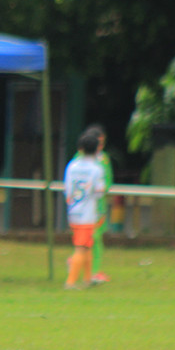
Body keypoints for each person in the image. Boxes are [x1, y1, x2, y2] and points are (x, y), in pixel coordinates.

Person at [64, 130, 107, 290]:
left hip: (73, 211)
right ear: (97, 149)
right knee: (81, 247)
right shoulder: (97, 168)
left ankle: (88, 279)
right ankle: (70, 282)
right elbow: (99, 191)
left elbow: (67, 190)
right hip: (88, 214)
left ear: (80, 148)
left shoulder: (72, 166)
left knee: (87, 244)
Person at [72, 124, 112, 284]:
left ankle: (92, 273)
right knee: (87, 240)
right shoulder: (79, 161)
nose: (100, 147)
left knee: (94, 240)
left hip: (96, 207)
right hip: (84, 208)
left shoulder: (104, 159)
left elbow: (107, 183)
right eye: (98, 143)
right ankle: (77, 275)